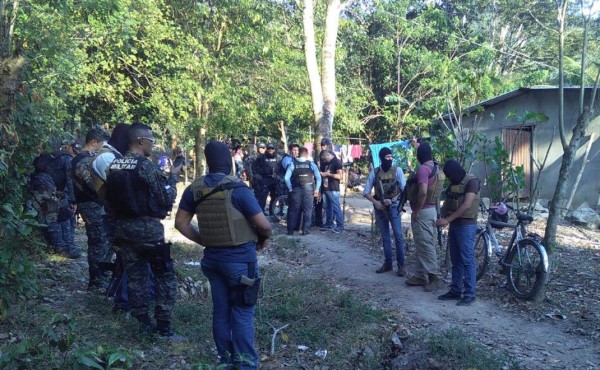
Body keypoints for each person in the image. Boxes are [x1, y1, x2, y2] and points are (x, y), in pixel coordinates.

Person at [175, 140, 272, 369]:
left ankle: (226, 360)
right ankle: (246, 364)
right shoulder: (237, 189)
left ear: (208, 162)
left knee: (221, 310)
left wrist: (206, 240)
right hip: (240, 262)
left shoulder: (194, 189)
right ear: (228, 161)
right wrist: (264, 240)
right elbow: (264, 226)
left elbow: (181, 223)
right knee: (242, 311)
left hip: (212, 261)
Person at [104, 123, 185, 340]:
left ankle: (142, 323)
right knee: (164, 275)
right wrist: (172, 179)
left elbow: (108, 202)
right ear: (140, 141)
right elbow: (164, 198)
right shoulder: (146, 166)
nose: (152, 145)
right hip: (148, 229)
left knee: (135, 276)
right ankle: (164, 326)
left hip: (123, 229)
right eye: (151, 141)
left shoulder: (114, 165)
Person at [71, 126, 113, 289]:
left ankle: (101, 275)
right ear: (94, 142)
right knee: (98, 242)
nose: (103, 148)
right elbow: (94, 184)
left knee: (103, 241)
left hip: (94, 205)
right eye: (101, 144)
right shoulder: (83, 160)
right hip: (91, 205)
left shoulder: (85, 158)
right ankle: (97, 279)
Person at [436, 159, 481, 306]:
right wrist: (442, 216)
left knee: (467, 260)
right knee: (456, 260)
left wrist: (447, 220)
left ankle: (469, 293)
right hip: (455, 225)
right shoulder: (453, 183)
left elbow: (467, 205)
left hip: (466, 225)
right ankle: (455, 290)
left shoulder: (471, 181)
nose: (449, 178)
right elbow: (448, 201)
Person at [405, 143, 446, 291]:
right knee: (423, 243)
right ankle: (420, 275)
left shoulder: (423, 169)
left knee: (425, 244)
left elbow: (422, 192)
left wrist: (417, 211)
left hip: (423, 211)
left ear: (418, 155)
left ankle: (434, 277)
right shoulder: (436, 168)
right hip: (432, 210)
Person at [363, 147, 407, 275]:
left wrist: (393, 200)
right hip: (380, 207)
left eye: (391, 156)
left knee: (398, 236)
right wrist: (376, 202)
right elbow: (366, 192)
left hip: (394, 207)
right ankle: (388, 263)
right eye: (387, 157)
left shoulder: (397, 170)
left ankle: (401, 265)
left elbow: (404, 189)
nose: (390, 159)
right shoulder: (375, 173)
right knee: (385, 237)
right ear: (382, 158)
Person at [26, 153, 74, 257]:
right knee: (55, 219)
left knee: (57, 216)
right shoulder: (44, 178)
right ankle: (61, 248)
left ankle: (61, 246)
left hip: (38, 205)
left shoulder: (36, 176)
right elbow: (50, 202)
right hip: (45, 203)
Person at [46, 139, 81, 258]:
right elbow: (70, 181)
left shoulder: (55, 155)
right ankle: (66, 247)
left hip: (47, 190)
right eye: (74, 151)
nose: (74, 154)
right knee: (65, 216)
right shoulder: (67, 159)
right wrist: (73, 200)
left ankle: (63, 246)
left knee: (57, 218)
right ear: (69, 147)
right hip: (52, 192)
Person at [284, 146, 321, 236]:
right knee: (307, 210)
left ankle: (290, 231)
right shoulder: (311, 164)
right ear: (307, 154)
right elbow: (318, 178)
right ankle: (305, 230)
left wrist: (290, 188)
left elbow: (286, 178)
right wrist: (316, 189)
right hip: (308, 189)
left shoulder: (293, 164)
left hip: (296, 189)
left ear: (298, 154)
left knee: (293, 210)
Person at [319, 149, 344, 233]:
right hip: (327, 188)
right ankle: (329, 224)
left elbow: (339, 176)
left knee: (336, 207)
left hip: (333, 188)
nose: (324, 160)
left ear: (328, 155)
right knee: (328, 207)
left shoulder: (337, 162)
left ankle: (340, 226)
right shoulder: (328, 163)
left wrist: (327, 174)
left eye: (325, 158)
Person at [253, 143, 280, 212]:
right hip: (264, 179)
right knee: (262, 197)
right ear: (266, 149)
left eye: (272, 148)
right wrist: (257, 175)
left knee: (274, 196)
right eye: (269, 148)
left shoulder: (278, 157)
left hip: (274, 180)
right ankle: (261, 212)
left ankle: (272, 211)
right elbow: (254, 167)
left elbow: (281, 168)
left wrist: (279, 176)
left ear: (274, 149)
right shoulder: (261, 157)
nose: (270, 150)